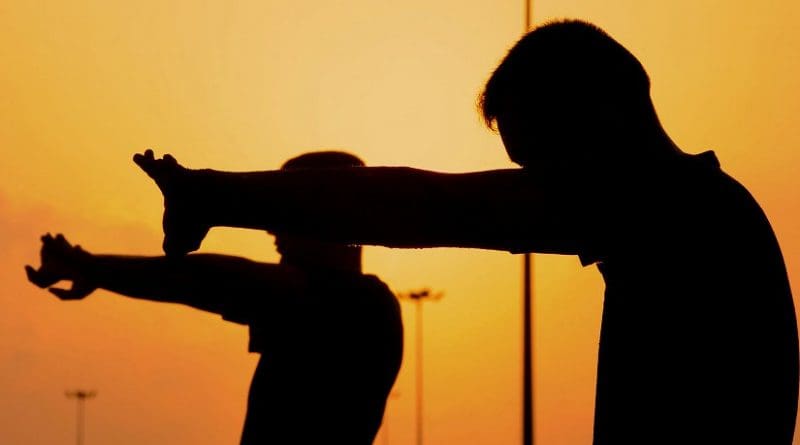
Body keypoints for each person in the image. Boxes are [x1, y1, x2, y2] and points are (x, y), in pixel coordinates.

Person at [131, 19, 799, 443]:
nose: (539, 187)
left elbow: (425, 206)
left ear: (605, 114)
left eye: (543, 161)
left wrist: (214, 193)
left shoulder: (667, 209)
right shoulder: (706, 212)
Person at [26, 152, 404, 445]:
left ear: (324, 218)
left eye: (286, 212)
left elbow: (211, 280)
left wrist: (95, 268)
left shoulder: (358, 306)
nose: (273, 231)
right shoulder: (358, 306)